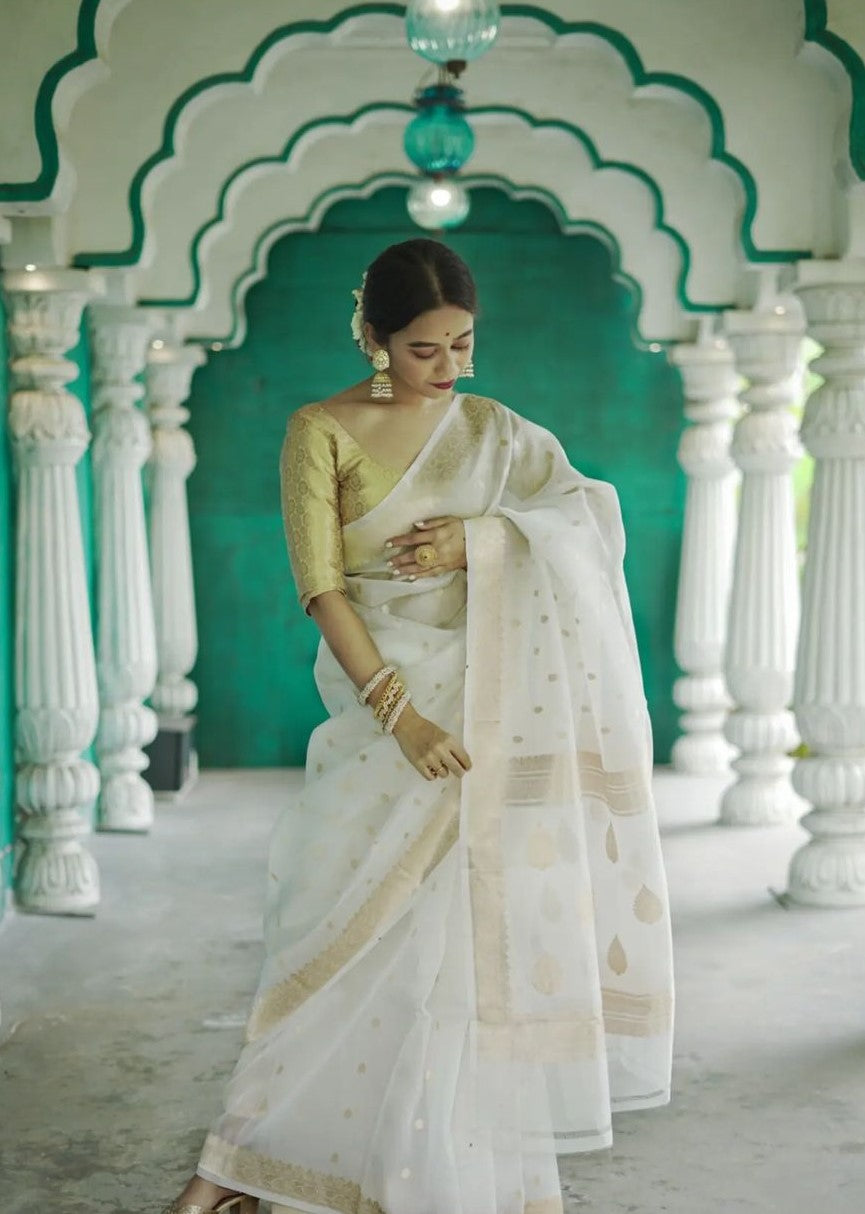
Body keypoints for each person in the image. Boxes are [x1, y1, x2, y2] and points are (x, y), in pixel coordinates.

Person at [162, 238, 674, 1214]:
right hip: (389, 723)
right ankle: (238, 1162)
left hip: (493, 717)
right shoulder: (321, 430)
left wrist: (481, 541)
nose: (450, 368)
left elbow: (586, 523)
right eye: (426, 350)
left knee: (461, 953)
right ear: (374, 336)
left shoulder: (499, 432)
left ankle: (431, 1168)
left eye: (463, 344)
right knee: (335, 943)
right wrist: (400, 716)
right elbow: (321, 587)